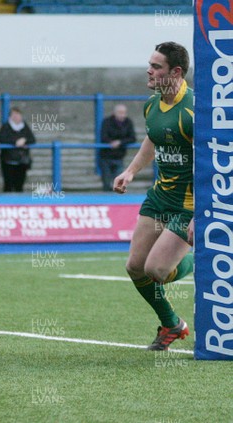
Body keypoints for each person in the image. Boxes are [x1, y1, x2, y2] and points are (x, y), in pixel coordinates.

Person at [113, 42, 193, 351]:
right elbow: (152, 138)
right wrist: (131, 171)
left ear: (175, 72)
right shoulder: (152, 105)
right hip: (159, 199)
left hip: (189, 204)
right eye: (150, 64)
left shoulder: (193, 111)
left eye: (156, 66)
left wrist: (203, 214)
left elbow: (213, 162)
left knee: (156, 270)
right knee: (135, 267)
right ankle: (172, 323)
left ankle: (204, 258)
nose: (149, 70)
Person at [99, 104, 136, 191]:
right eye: (119, 112)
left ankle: (117, 198)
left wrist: (120, 142)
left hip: (120, 156)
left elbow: (132, 138)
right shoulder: (107, 122)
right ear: (114, 113)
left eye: (124, 113)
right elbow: (103, 136)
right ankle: (106, 199)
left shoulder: (128, 122)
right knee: (107, 182)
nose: (122, 115)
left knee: (118, 182)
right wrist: (111, 142)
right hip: (106, 156)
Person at [0, 107, 36, 192]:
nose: (16, 117)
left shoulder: (25, 126)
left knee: (19, 185)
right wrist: (15, 142)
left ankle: (19, 204)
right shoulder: (5, 127)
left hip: (22, 161)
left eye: (18, 115)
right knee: (8, 185)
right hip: (8, 161)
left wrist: (24, 140)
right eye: (14, 115)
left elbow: (32, 139)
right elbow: (2, 139)